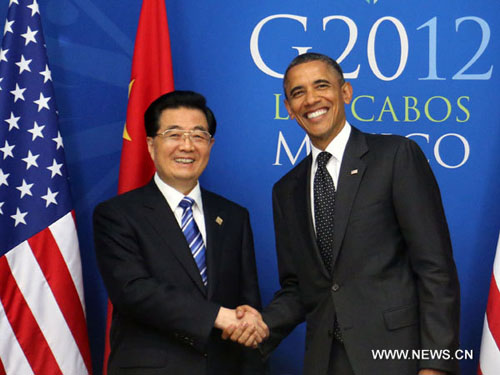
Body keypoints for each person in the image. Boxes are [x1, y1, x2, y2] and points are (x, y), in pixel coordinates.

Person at [225, 53, 460, 375]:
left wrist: (437, 365)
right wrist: (259, 326)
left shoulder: (394, 156)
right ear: (289, 109)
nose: (311, 100)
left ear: (345, 92)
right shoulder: (286, 189)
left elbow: (435, 267)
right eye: (298, 93)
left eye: (321, 86)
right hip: (325, 361)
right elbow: (298, 287)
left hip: (396, 358)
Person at [93, 90, 268, 375]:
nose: (187, 146)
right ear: (151, 145)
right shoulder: (117, 214)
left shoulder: (234, 216)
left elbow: (247, 302)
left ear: (210, 145)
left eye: (198, 136)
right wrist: (217, 316)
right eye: (174, 135)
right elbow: (133, 291)